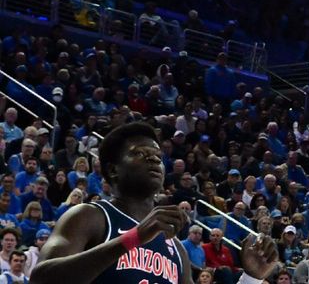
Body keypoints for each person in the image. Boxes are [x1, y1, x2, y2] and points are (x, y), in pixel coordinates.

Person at [30, 121, 278, 284]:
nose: (152, 160)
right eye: (139, 153)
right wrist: (133, 238)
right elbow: (41, 279)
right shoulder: (90, 216)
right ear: (113, 170)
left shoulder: (176, 249)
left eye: (158, 156)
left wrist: (251, 278)